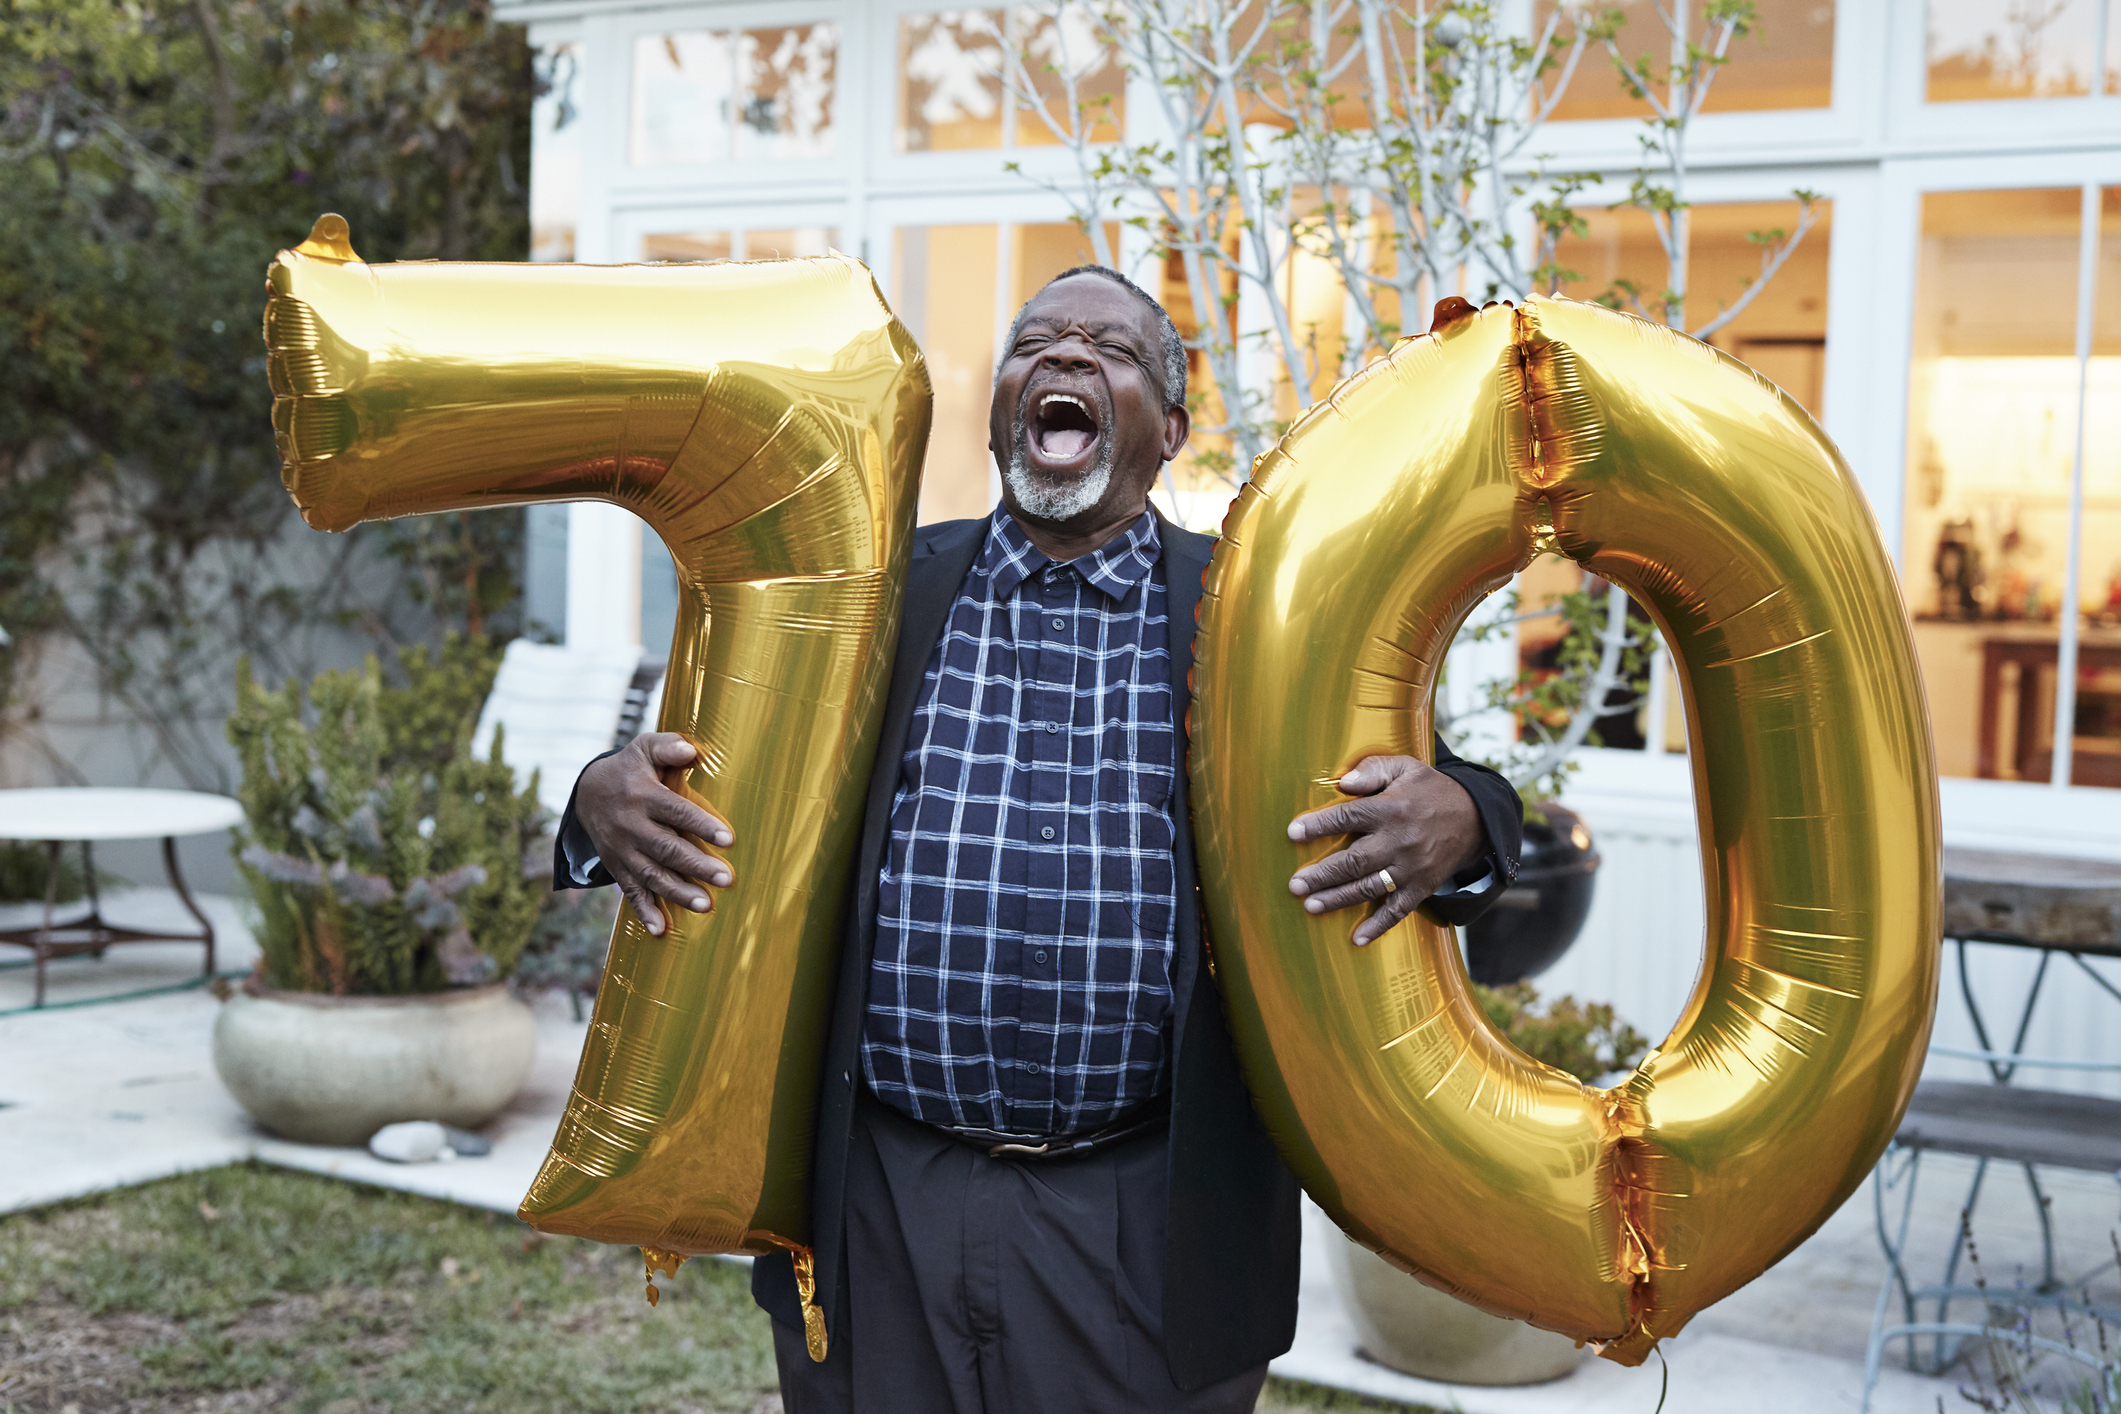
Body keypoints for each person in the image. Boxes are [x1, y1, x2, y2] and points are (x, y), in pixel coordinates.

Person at [555, 267, 1523, 1413]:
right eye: (1036, 343)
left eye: (1109, 349)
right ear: (999, 408)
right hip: (879, 1198)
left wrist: (1460, 815)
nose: (1064, 357)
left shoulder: (1259, 614)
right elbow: (698, 779)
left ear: (1169, 429)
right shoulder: (874, 598)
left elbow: (1456, 796)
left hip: (1144, 1217)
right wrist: (593, 803)